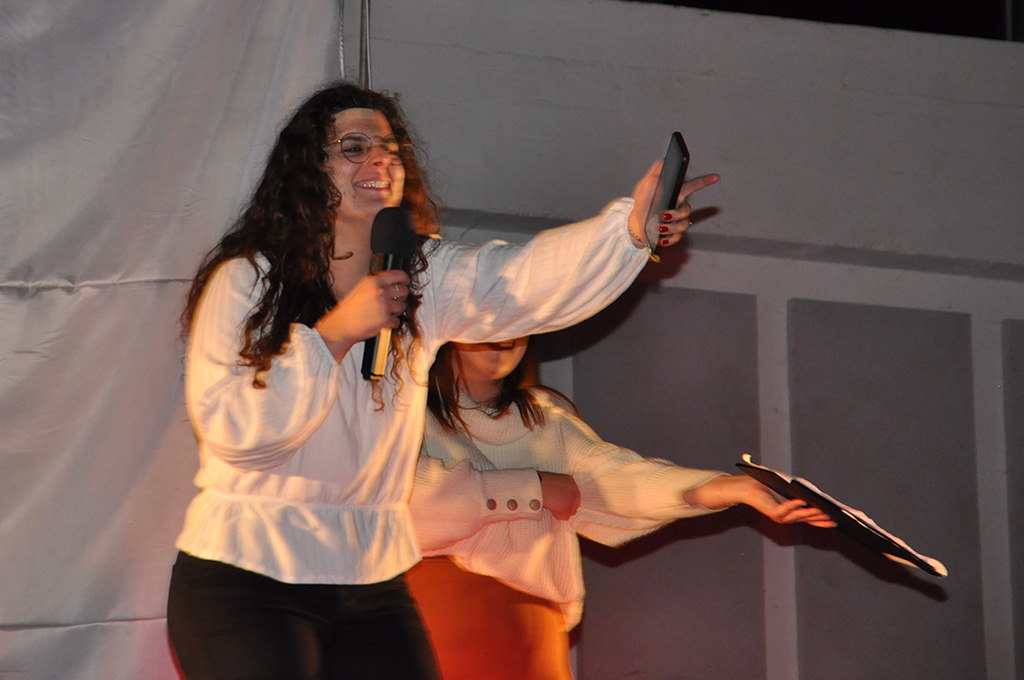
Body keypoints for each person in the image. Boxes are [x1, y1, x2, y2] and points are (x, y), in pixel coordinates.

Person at [165, 80, 720, 680]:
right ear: (306, 168)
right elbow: (237, 433)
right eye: (354, 147)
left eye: (391, 148)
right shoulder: (248, 281)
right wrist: (335, 334)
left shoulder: (419, 275)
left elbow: (522, 280)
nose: (380, 160)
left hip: (371, 575)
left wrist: (628, 231)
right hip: (250, 573)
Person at [406, 338, 835, 680]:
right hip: (429, 619)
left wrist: (726, 488)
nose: (503, 334)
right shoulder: (399, 411)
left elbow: (613, 479)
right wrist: (532, 487)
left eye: (517, 318)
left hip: (528, 632)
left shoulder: (545, 419)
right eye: (487, 316)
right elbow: (404, 499)